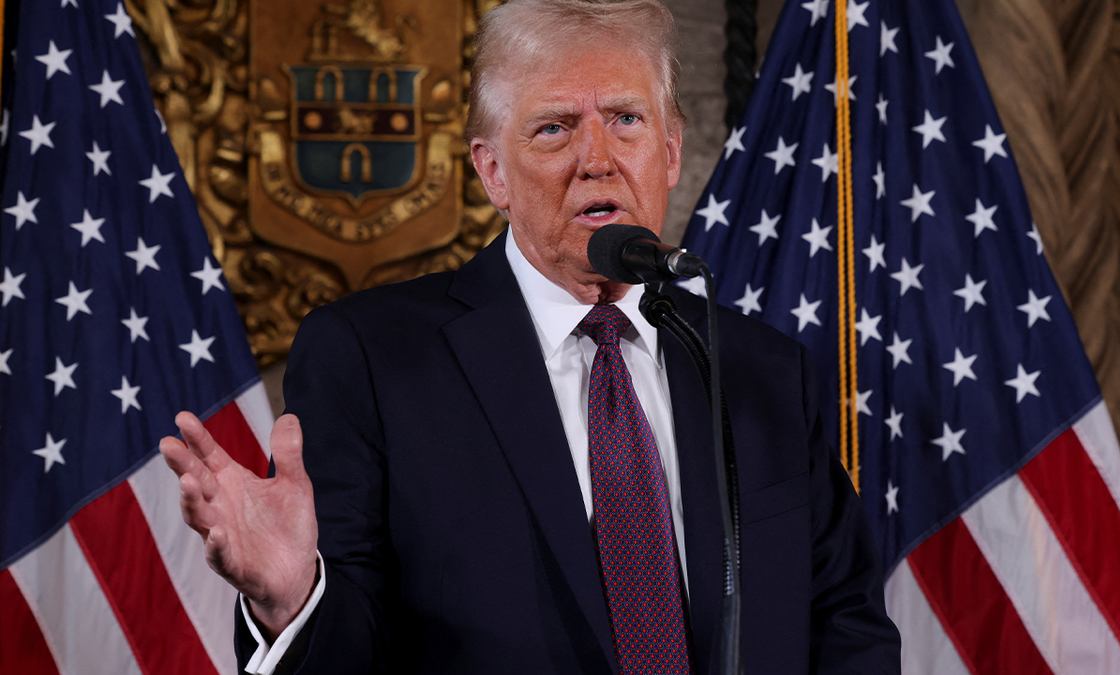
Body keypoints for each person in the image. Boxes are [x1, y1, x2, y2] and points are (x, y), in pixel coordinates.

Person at [160, 0, 901, 672]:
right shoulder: (372, 360)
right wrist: (293, 597)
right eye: (554, 128)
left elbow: (846, 628)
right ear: (493, 173)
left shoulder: (763, 371)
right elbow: (353, 653)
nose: (598, 158)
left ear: (671, 152)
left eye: (626, 119)